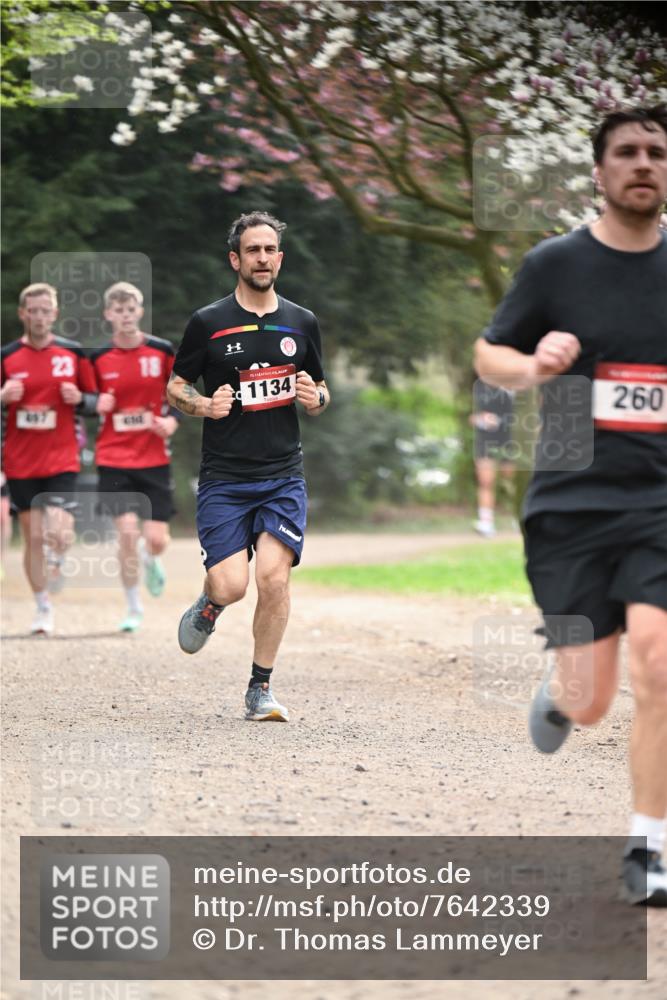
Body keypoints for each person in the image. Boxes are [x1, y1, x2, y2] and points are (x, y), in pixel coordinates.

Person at [474, 105, 667, 906]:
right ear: (598, 171)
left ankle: (648, 848)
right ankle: (559, 696)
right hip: (570, 501)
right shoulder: (554, 264)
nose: (643, 163)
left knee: (658, 662)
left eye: (656, 152)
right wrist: (534, 366)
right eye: (626, 151)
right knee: (590, 701)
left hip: (660, 498)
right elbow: (488, 353)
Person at [167, 211, 329, 722]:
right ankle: (211, 604)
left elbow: (321, 388)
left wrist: (315, 396)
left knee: (274, 579)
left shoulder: (301, 322)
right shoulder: (208, 322)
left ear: (280, 258)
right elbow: (175, 386)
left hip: (283, 475)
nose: (262, 258)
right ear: (236, 259)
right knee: (232, 584)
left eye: (270, 250)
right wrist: (201, 406)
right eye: (252, 250)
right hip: (225, 479)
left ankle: (260, 687)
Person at [0, 282, 97, 634]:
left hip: (61, 455)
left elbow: (96, 399)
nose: (39, 316)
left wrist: (80, 399)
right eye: (33, 310)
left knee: (59, 530)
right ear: (23, 313)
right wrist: (2, 395)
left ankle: (57, 559)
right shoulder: (6, 356)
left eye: (46, 311)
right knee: (34, 537)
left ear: (54, 314)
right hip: (20, 458)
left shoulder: (72, 353)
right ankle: (42, 607)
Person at [91, 282, 179, 632]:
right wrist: (94, 404)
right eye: (118, 310)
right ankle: (133, 607)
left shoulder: (161, 351)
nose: (125, 316)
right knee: (126, 533)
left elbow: (182, 392)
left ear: (140, 312)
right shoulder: (96, 358)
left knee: (156, 540)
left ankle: (150, 558)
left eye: (131, 309)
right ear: (108, 315)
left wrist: (172, 420)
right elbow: (80, 400)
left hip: (154, 457)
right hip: (112, 457)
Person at [470, 380, 516, 537]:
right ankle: (486, 522)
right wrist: (480, 419)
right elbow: (474, 416)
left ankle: (519, 518)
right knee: (485, 481)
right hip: (486, 440)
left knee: (512, 481)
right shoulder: (481, 388)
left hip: (512, 440)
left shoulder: (522, 386)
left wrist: (502, 421)